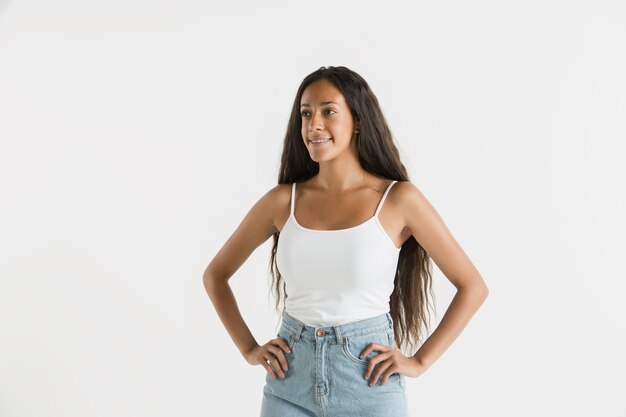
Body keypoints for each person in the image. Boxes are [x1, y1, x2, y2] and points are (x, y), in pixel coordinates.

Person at [203, 65, 489, 416]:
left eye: (328, 111)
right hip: (289, 382)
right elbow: (215, 275)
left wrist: (419, 362)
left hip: (368, 382)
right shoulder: (282, 201)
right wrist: (249, 349)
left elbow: (472, 286)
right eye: (306, 114)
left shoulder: (399, 200)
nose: (314, 125)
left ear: (357, 120)